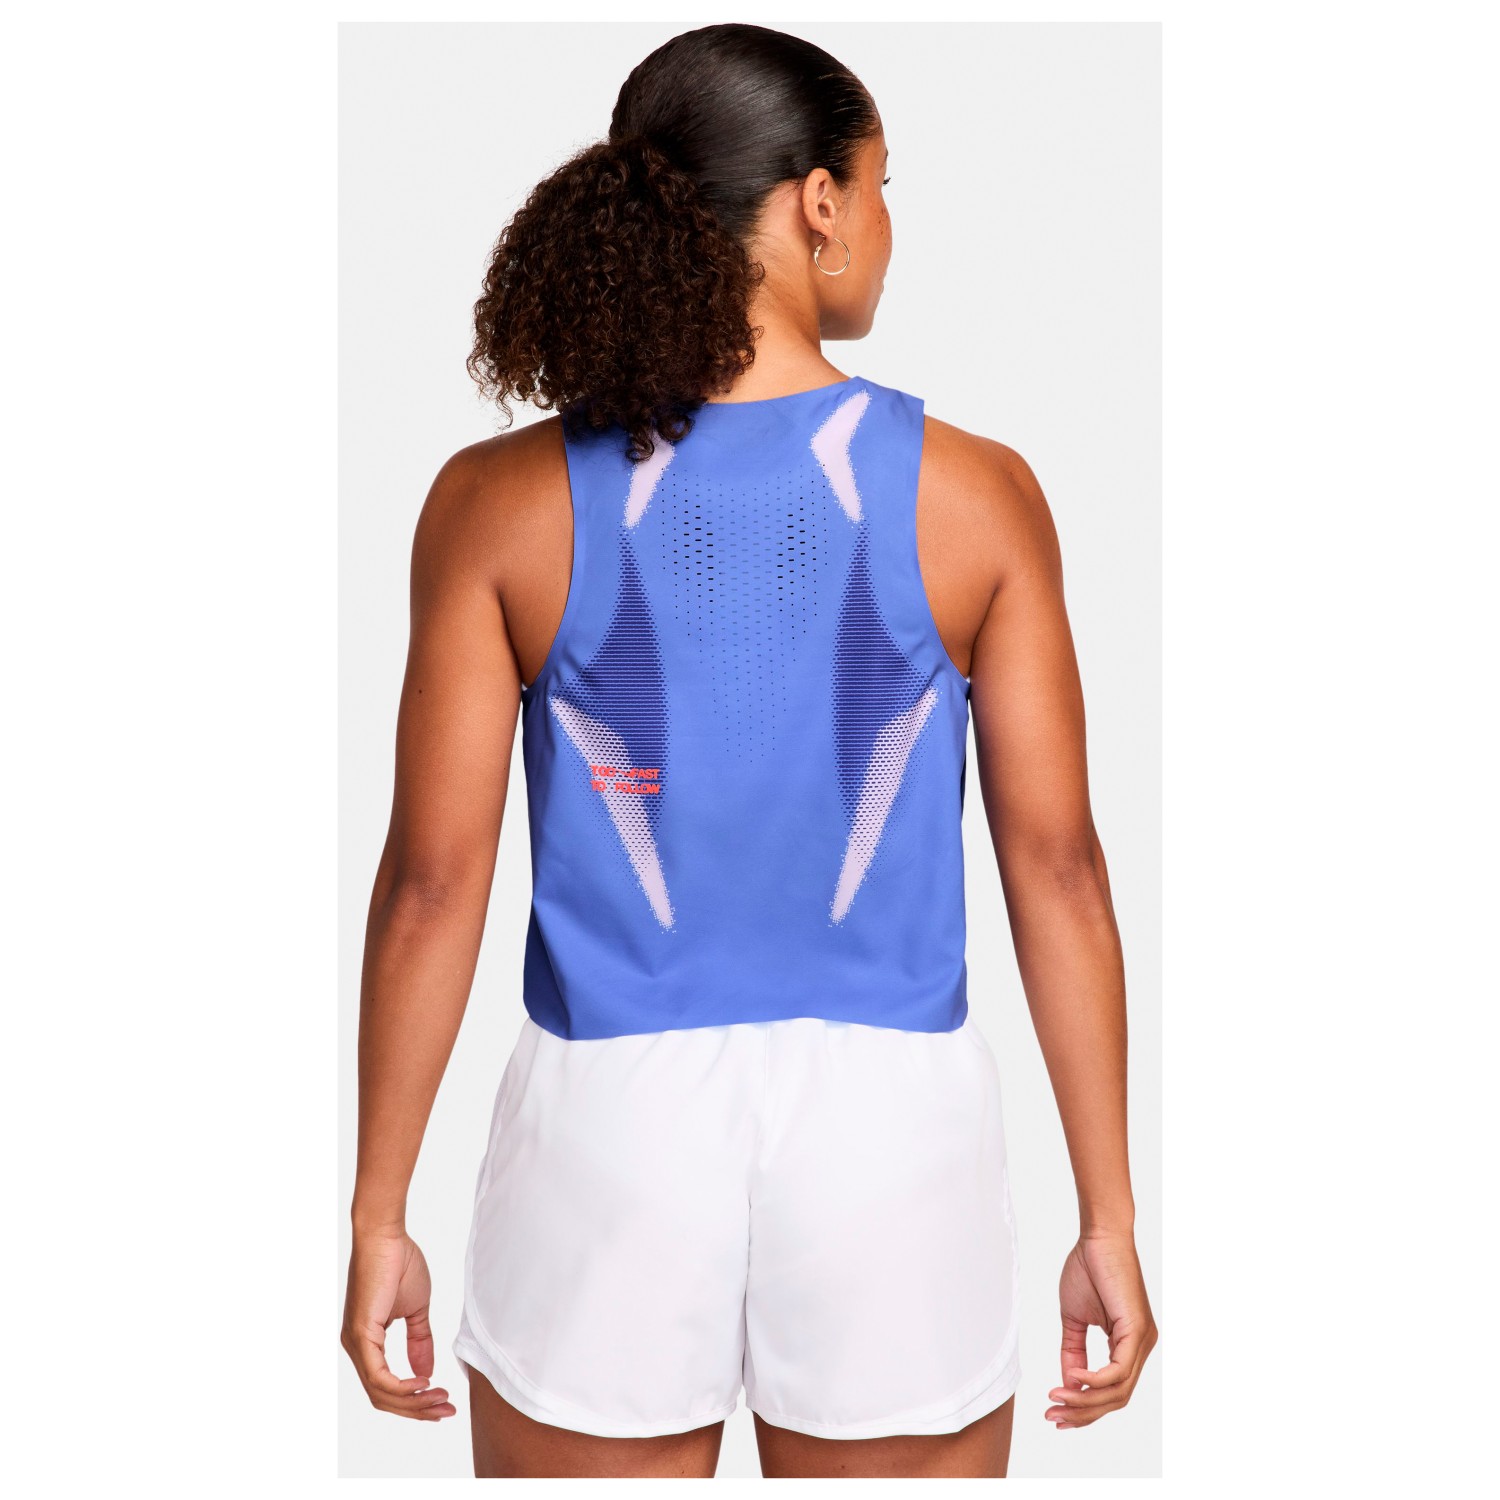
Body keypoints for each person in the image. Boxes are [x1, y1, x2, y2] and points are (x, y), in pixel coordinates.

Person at [341, 22, 1156, 1480]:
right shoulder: (976, 494)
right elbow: (1059, 867)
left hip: (607, 1129)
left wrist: (377, 1210)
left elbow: (429, 884)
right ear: (817, 201)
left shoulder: (496, 502)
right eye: (883, 184)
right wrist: (1109, 1214)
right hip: (891, 1132)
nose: (887, 224)